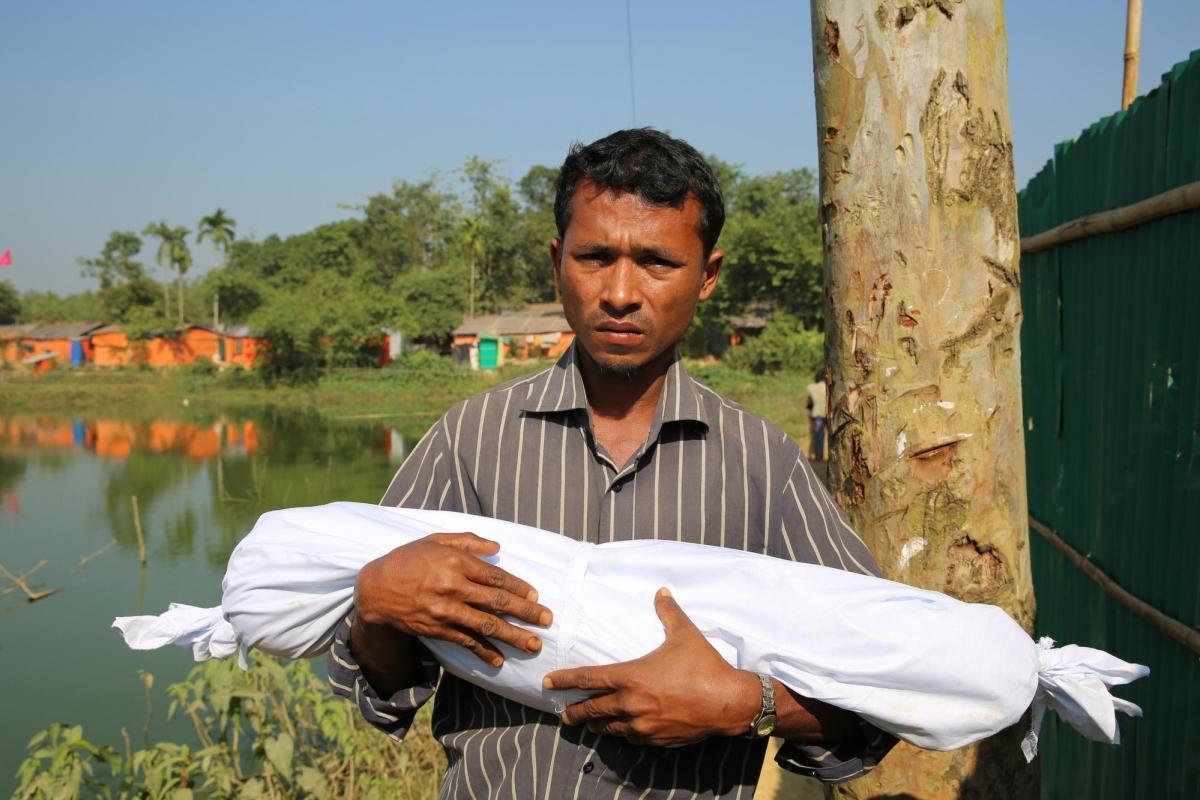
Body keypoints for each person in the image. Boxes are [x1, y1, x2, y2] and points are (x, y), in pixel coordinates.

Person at [328, 129, 895, 798]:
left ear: (707, 276)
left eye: (657, 262)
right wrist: (375, 609)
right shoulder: (468, 440)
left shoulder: (764, 468)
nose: (621, 292)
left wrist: (745, 704)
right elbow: (381, 689)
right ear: (556, 260)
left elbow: (877, 699)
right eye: (595, 256)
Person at [806, 369, 828, 461]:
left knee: (819, 436)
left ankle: (819, 456)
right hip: (829, 414)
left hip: (817, 414)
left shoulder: (810, 387)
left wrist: (810, 419)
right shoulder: (829, 386)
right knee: (833, 436)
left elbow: (809, 404)